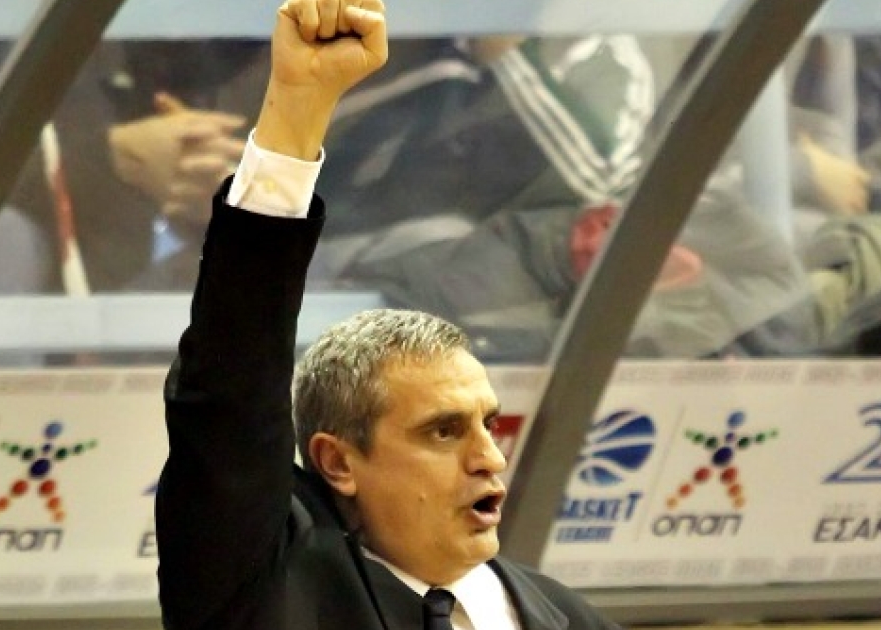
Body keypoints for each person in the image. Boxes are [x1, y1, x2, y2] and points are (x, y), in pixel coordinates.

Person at [155, 0, 621, 628]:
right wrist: (297, 108)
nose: (490, 457)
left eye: (487, 424)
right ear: (338, 462)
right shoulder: (274, 590)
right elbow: (230, 384)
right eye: (443, 431)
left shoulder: (569, 616)